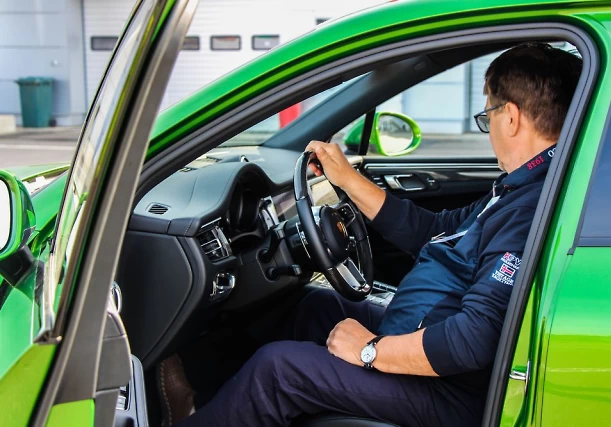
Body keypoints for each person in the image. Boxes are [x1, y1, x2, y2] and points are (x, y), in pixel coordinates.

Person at [167, 42, 582, 427]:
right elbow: (435, 232)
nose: (487, 127)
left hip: (452, 389)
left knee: (279, 370)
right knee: (314, 308)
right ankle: (211, 402)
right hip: (429, 338)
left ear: (511, 117)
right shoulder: (520, 188)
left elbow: (471, 340)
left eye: (487, 116)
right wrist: (347, 179)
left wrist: (369, 351)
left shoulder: (530, 207)